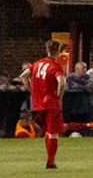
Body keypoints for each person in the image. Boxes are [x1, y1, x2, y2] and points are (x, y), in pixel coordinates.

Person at [20, 39, 67, 169]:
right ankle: (50, 162)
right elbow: (62, 83)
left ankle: (50, 160)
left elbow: (23, 76)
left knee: (47, 131)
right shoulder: (56, 66)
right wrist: (59, 94)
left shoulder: (37, 64)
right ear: (57, 51)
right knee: (53, 132)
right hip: (51, 102)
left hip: (38, 102)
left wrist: (32, 90)